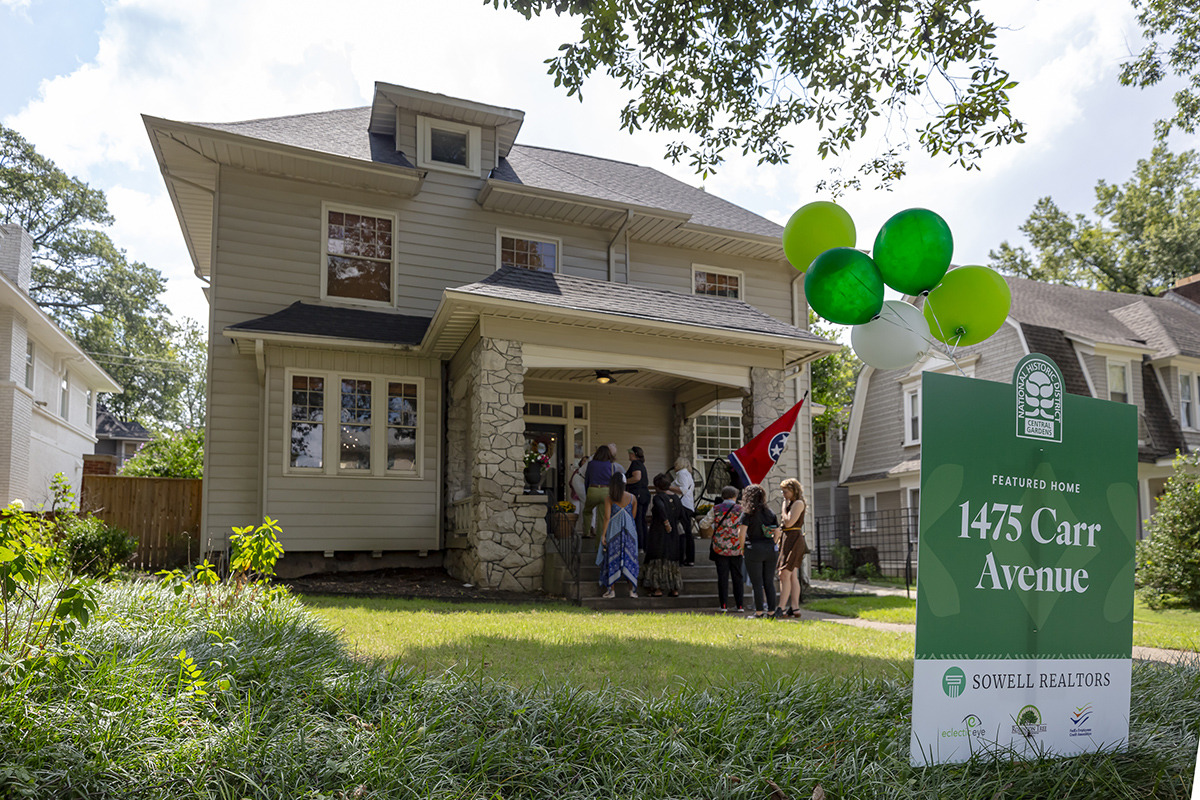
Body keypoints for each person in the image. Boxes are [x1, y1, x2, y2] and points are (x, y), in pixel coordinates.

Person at [738, 483, 779, 618]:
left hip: (753, 548)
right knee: (769, 582)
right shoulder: (770, 513)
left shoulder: (747, 514)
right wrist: (771, 544)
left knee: (757, 583)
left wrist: (742, 548)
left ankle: (759, 612)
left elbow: (741, 533)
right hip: (770, 549)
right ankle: (772, 612)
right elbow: (777, 533)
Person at [599, 472, 639, 598]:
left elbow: (606, 517)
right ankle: (632, 591)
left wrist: (603, 534)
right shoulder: (632, 498)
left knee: (611, 559)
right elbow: (633, 517)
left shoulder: (609, 498)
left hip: (613, 532)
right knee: (630, 559)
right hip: (629, 533)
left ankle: (611, 591)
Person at [642, 473, 682, 597]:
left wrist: (665, 522)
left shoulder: (658, 497)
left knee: (657, 557)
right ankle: (674, 589)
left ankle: (657, 589)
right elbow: (680, 513)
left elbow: (660, 508)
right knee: (671, 558)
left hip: (659, 531)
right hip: (673, 533)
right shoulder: (676, 498)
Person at [775, 478, 809, 617]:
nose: (784, 494)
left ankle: (781, 608)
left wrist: (783, 507)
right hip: (788, 538)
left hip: (794, 539)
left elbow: (789, 523)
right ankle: (794, 608)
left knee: (785, 574)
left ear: (793, 490)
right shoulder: (792, 503)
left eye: (786, 491)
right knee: (792, 575)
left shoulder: (798, 503)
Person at [710, 485, 745, 612]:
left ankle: (723, 605)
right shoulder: (741, 509)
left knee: (722, 577)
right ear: (735, 496)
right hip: (737, 546)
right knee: (738, 576)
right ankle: (740, 605)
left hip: (720, 547)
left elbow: (703, 523)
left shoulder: (716, 509)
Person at [582, 446, 615, 538]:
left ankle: (587, 532)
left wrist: (587, 492)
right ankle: (599, 546)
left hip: (593, 489)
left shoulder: (591, 464)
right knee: (602, 518)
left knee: (587, 511)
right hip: (606, 491)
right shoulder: (611, 465)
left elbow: (587, 480)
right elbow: (613, 481)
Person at [670, 456, 697, 565]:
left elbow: (683, 490)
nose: (674, 465)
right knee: (687, 533)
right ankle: (689, 558)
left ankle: (681, 558)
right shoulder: (688, 475)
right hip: (688, 505)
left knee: (682, 533)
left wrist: (667, 487)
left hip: (682, 506)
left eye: (676, 463)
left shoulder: (681, 474)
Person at [626, 446, 651, 550]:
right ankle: (644, 545)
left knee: (637, 520)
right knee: (642, 520)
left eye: (630, 453)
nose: (629, 455)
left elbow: (637, 477)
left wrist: (625, 481)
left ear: (634, 454)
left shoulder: (635, 464)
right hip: (644, 494)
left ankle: (639, 545)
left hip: (638, 495)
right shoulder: (641, 464)